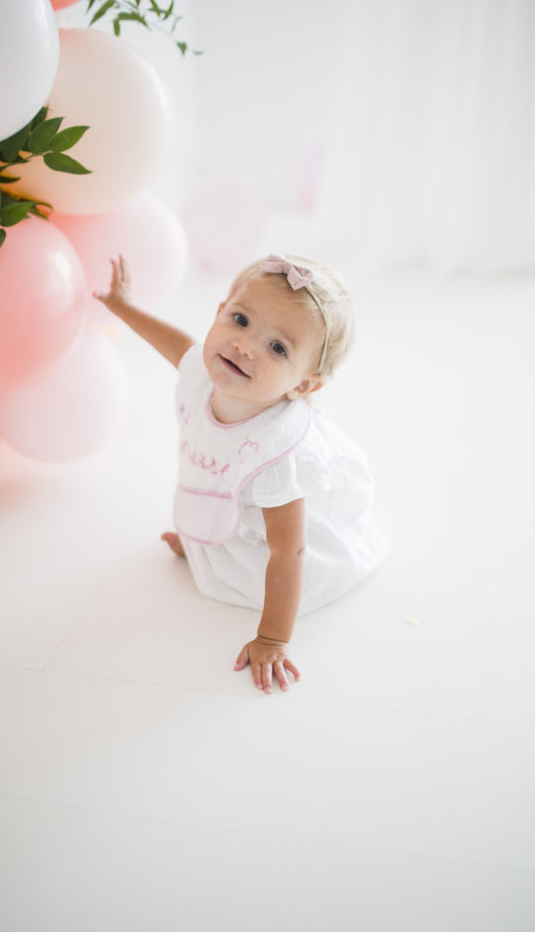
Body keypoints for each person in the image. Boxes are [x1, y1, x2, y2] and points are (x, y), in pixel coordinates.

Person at [94, 253, 386, 695]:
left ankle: (221, 545)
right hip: (238, 504)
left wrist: (272, 637)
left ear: (303, 386)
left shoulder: (278, 453)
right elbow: (175, 345)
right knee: (223, 499)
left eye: (277, 348)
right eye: (240, 319)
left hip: (271, 546)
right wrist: (123, 307)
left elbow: (289, 551)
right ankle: (207, 538)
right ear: (219, 312)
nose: (244, 345)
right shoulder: (204, 371)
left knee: (261, 536)